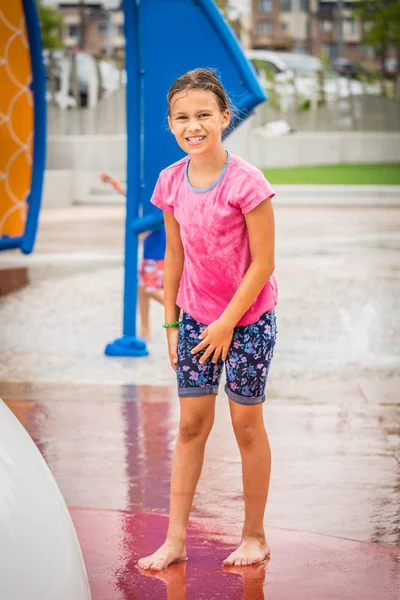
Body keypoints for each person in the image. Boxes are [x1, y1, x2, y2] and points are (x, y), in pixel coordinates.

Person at [137, 68, 277, 571]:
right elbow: (173, 255)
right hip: (196, 318)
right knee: (191, 425)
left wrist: (227, 324)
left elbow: (264, 263)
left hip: (248, 319)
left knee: (244, 424)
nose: (192, 125)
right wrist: (174, 324)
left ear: (223, 117)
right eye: (182, 117)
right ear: (171, 124)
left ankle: (254, 535)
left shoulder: (247, 182)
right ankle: (175, 539)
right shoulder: (170, 180)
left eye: (203, 115)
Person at [99, 172, 166, 341]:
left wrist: (145, 232)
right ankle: (144, 329)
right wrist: (113, 182)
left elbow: (159, 218)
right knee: (142, 290)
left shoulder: (159, 194)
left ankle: (181, 313)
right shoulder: (149, 193)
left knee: (147, 288)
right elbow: (129, 193)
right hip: (152, 252)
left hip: (158, 253)